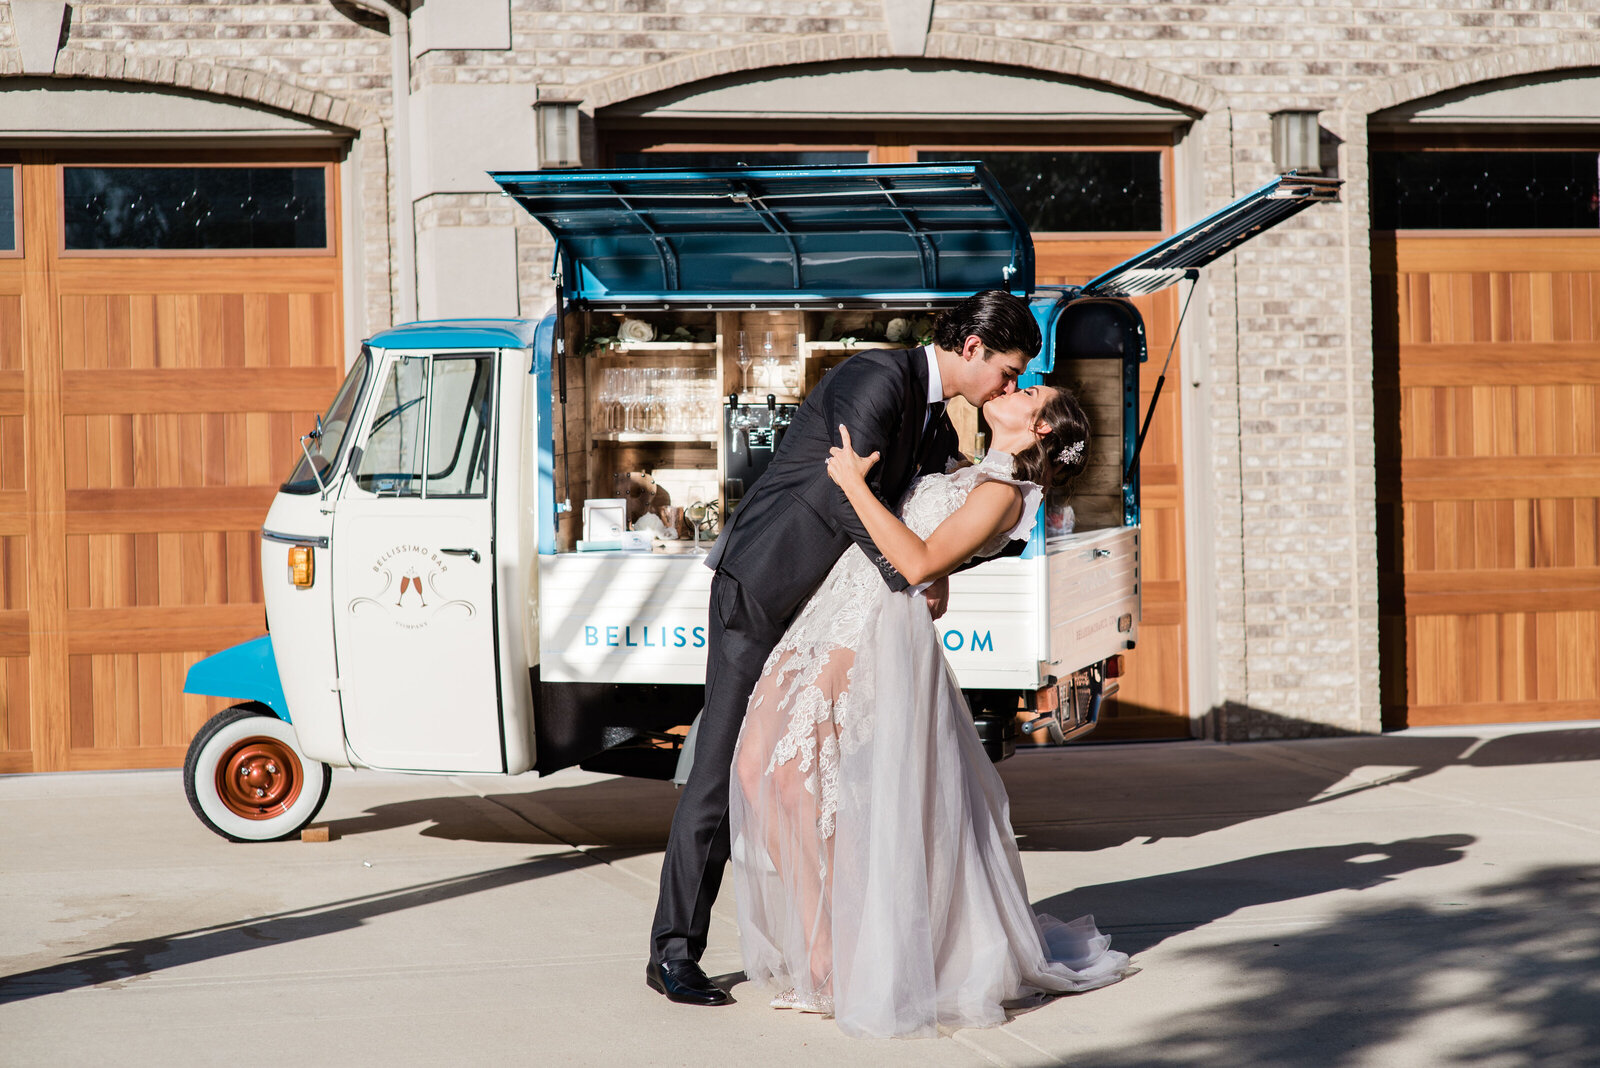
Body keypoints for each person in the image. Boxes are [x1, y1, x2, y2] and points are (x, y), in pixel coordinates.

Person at [646, 291, 1041, 1006]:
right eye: (1008, 372)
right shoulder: (878, 378)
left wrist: (938, 571)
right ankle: (674, 950)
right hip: (766, 584)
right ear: (974, 348)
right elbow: (842, 494)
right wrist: (909, 572)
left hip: (825, 611)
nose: (1007, 387)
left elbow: (935, 504)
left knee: (806, 775)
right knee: (725, 763)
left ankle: (836, 939)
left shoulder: (932, 420)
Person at [727, 383, 1131, 1038]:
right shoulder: (978, 474)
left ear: (1038, 431)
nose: (1014, 387)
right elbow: (933, 559)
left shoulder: (1006, 495)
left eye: (1030, 392)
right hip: (831, 612)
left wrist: (852, 484)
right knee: (758, 775)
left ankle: (832, 955)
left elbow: (915, 563)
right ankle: (823, 944)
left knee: (804, 788)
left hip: (869, 630)